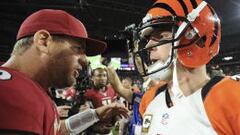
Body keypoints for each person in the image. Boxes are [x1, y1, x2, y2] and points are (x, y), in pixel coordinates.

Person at [108, 0, 240, 135]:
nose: (148, 46)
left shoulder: (231, 97)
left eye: (161, 36)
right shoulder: (150, 98)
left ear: (195, 38)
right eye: (149, 39)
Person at [0, 9, 128, 135]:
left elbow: (54, 130)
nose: (84, 60)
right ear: (44, 41)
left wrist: (94, 115)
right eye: (78, 48)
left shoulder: (25, 86)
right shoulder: (13, 92)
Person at [84, 67, 118, 134]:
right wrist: (96, 127)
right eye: (99, 75)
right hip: (95, 130)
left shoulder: (112, 90)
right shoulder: (88, 93)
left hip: (110, 128)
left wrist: (117, 122)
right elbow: (86, 116)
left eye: (104, 75)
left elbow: (115, 109)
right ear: (92, 78)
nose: (102, 78)